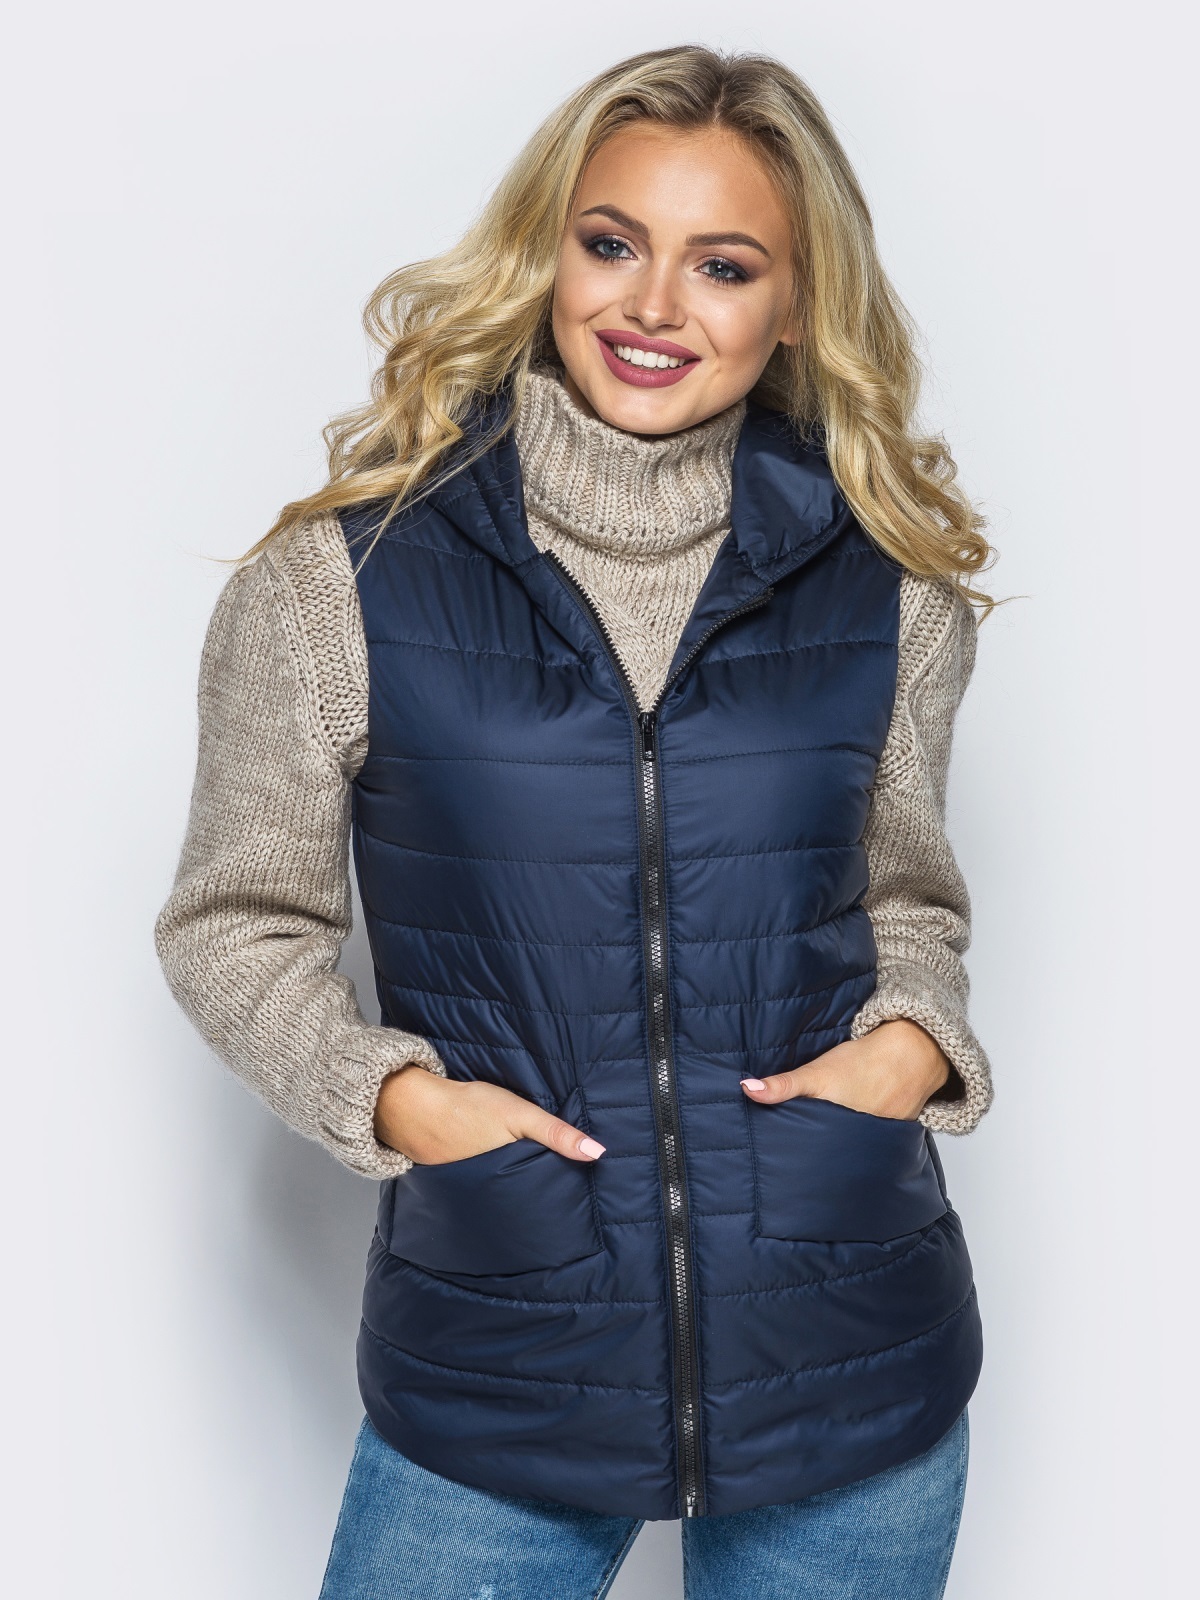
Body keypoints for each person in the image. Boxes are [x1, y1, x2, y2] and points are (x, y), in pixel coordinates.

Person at [155, 44, 995, 1600]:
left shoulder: (891, 586)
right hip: (501, 1346)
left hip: (851, 1343)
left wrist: (910, 1048)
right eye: (612, 243)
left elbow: (906, 899)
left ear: (796, 307)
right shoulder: (341, 580)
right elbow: (235, 923)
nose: (654, 305)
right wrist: (401, 1102)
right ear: (548, 252)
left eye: (724, 266)